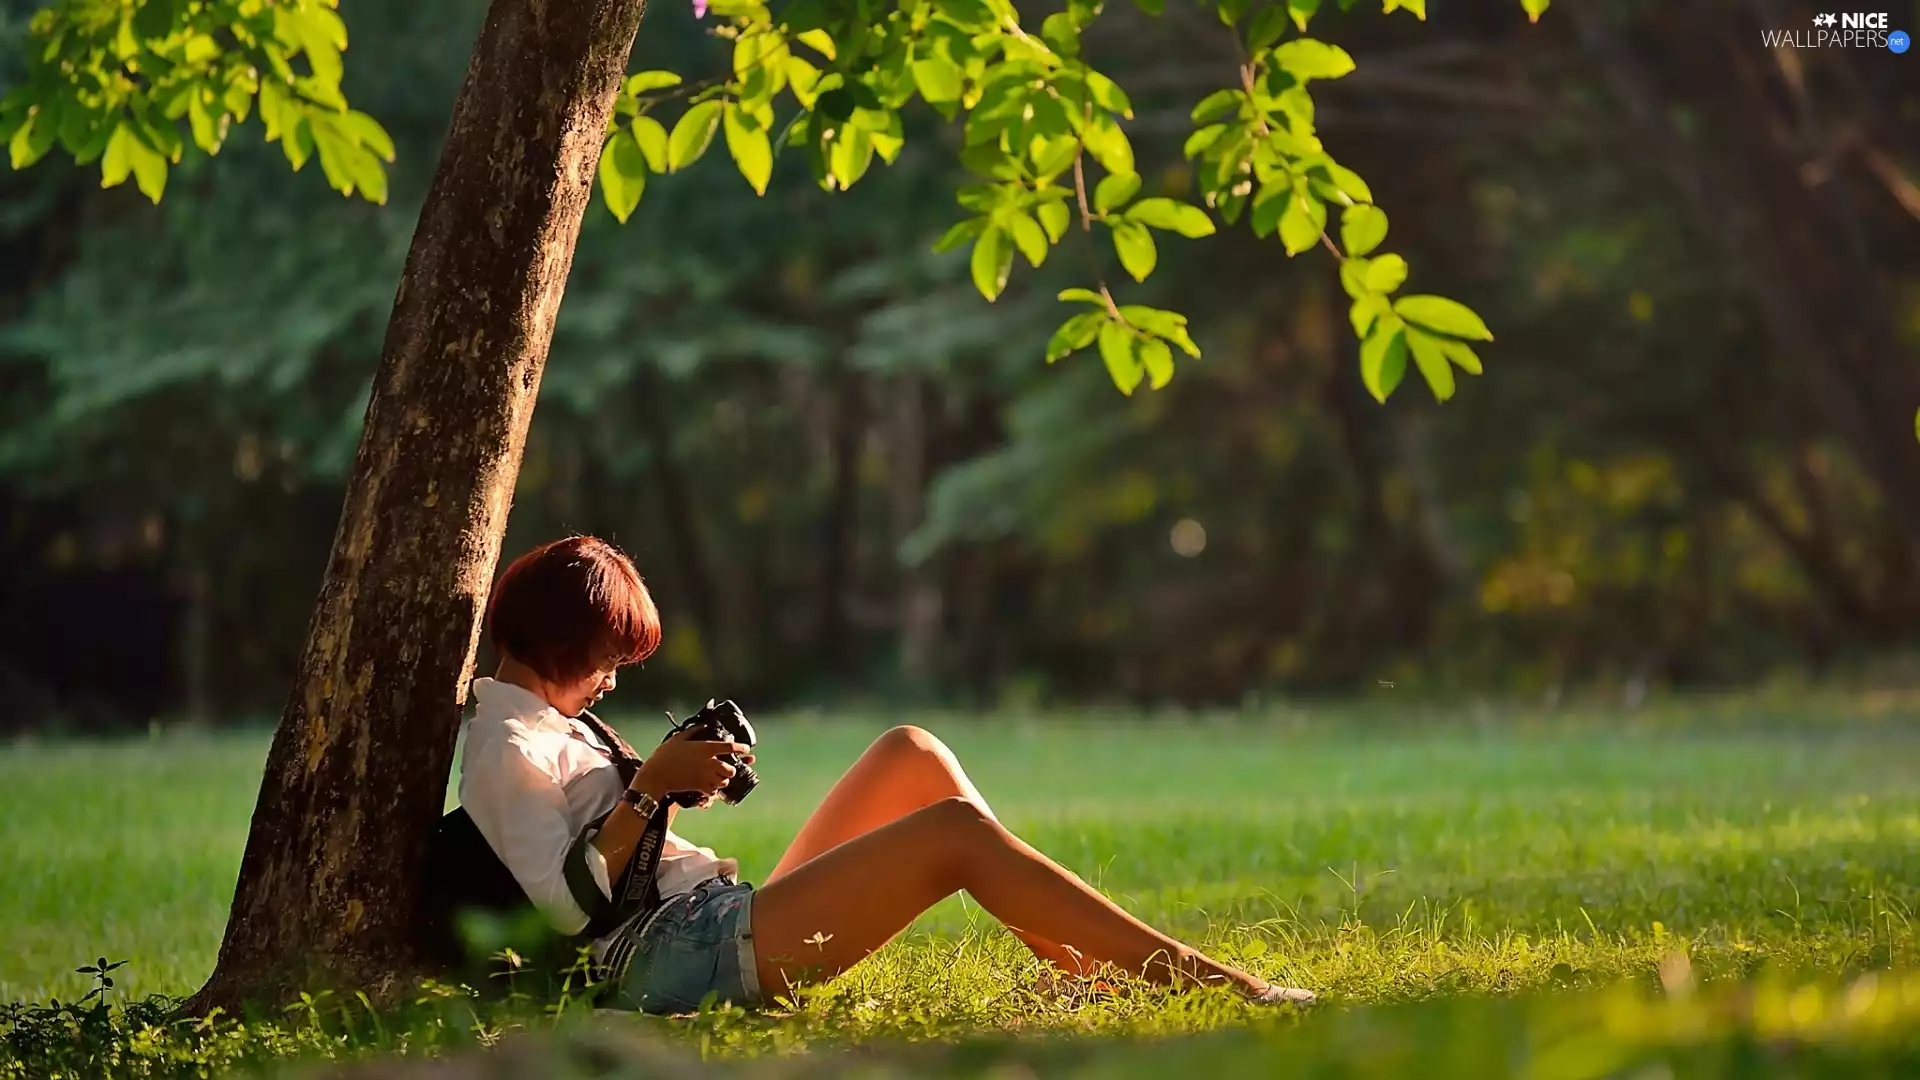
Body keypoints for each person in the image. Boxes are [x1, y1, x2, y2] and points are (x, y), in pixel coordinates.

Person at [456, 534, 1315, 1015]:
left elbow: (622, 846)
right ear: (562, 643)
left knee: (911, 751)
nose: (613, 680)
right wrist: (650, 790)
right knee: (952, 837)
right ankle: (1220, 987)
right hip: (665, 957)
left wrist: (678, 787)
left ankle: (1080, 965)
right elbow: (567, 911)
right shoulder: (505, 747)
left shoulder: (558, 725)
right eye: (609, 660)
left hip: (709, 916)